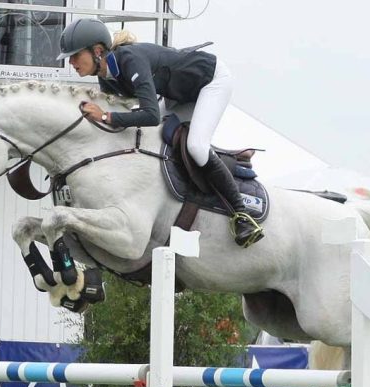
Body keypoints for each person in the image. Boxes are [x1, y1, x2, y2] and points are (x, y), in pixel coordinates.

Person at [56, 18, 264, 248]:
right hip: (179, 94)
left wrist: (105, 116)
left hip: (210, 81)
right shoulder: (106, 78)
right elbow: (124, 121)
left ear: (97, 51)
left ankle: (243, 215)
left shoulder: (130, 60)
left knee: (196, 146)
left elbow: (150, 115)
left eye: (75, 55)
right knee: (153, 138)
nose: (71, 62)